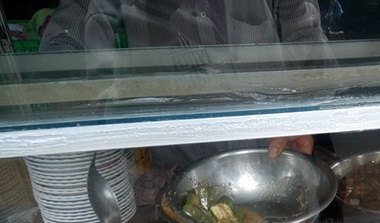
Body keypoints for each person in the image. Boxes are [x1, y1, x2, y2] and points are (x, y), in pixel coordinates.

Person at [39, 0, 331, 165]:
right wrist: (93, 98)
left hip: (273, 154)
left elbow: (307, 42)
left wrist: (297, 114)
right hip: (176, 167)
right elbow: (62, 52)